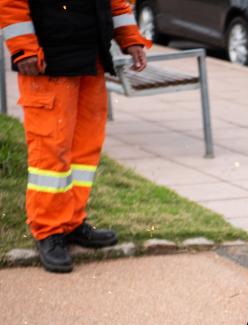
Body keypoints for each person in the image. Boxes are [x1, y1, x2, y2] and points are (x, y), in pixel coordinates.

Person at [1, 0, 151, 273]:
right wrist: (23, 48)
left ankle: (71, 222)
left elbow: (116, 2)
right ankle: (48, 231)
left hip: (91, 60)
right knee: (50, 153)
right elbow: (11, 3)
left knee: (84, 152)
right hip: (47, 63)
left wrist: (131, 39)